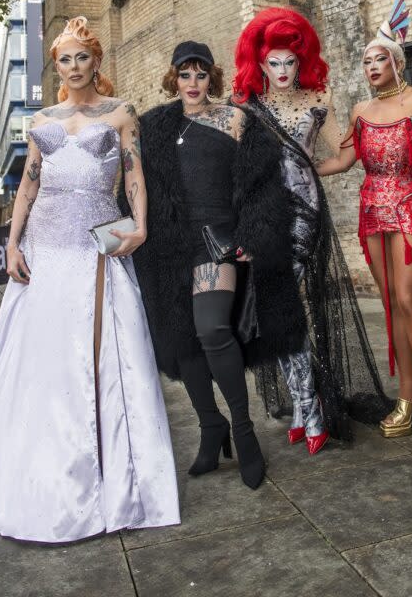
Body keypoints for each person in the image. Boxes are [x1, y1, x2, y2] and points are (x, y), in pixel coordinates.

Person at [0, 16, 179, 542]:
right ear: (55, 66)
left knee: (102, 354)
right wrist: (12, 242)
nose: (75, 66)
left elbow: (133, 175)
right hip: (45, 246)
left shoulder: (121, 113)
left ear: (96, 62)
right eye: (65, 59)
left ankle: (110, 480)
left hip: (96, 244)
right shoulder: (42, 121)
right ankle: (41, 480)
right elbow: (28, 188)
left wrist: (142, 226)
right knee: (43, 359)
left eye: (83, 57)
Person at [134, 41, 307, 490]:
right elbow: (137, 186)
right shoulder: (152, 125)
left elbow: (265, 187)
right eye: (185, 75)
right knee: (184, 339)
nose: (193, 83)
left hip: (218, 241)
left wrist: (255, 234)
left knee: (212, 329)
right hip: (170, 244)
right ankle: (211, 429)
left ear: (213, 76)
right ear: (174, 78)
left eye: (201, 74)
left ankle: (244, 432)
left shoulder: (236, 120)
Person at [233, 9, 391, 453]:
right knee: (273, 311)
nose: (283, 71)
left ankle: (312, 409)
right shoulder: (246, 108)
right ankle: (305, 407)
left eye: (289, 62)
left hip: (304, 214)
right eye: (274, 63)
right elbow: (239, 172)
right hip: (265, 216)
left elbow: (346, 155)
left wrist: (306, 170)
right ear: (261, 66)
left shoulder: (318, 99)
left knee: (284, 305)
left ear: (300, 61)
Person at [317, 0, 412, 458]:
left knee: (408, 296)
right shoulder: (360, 110)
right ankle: (407, 394)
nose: (371, 66)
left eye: (378, 58)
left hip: (410, 206)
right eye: (365, 60)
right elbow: (341, 162)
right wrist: (294, 169)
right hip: (371, 211)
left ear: (397, 61)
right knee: (388, 301)